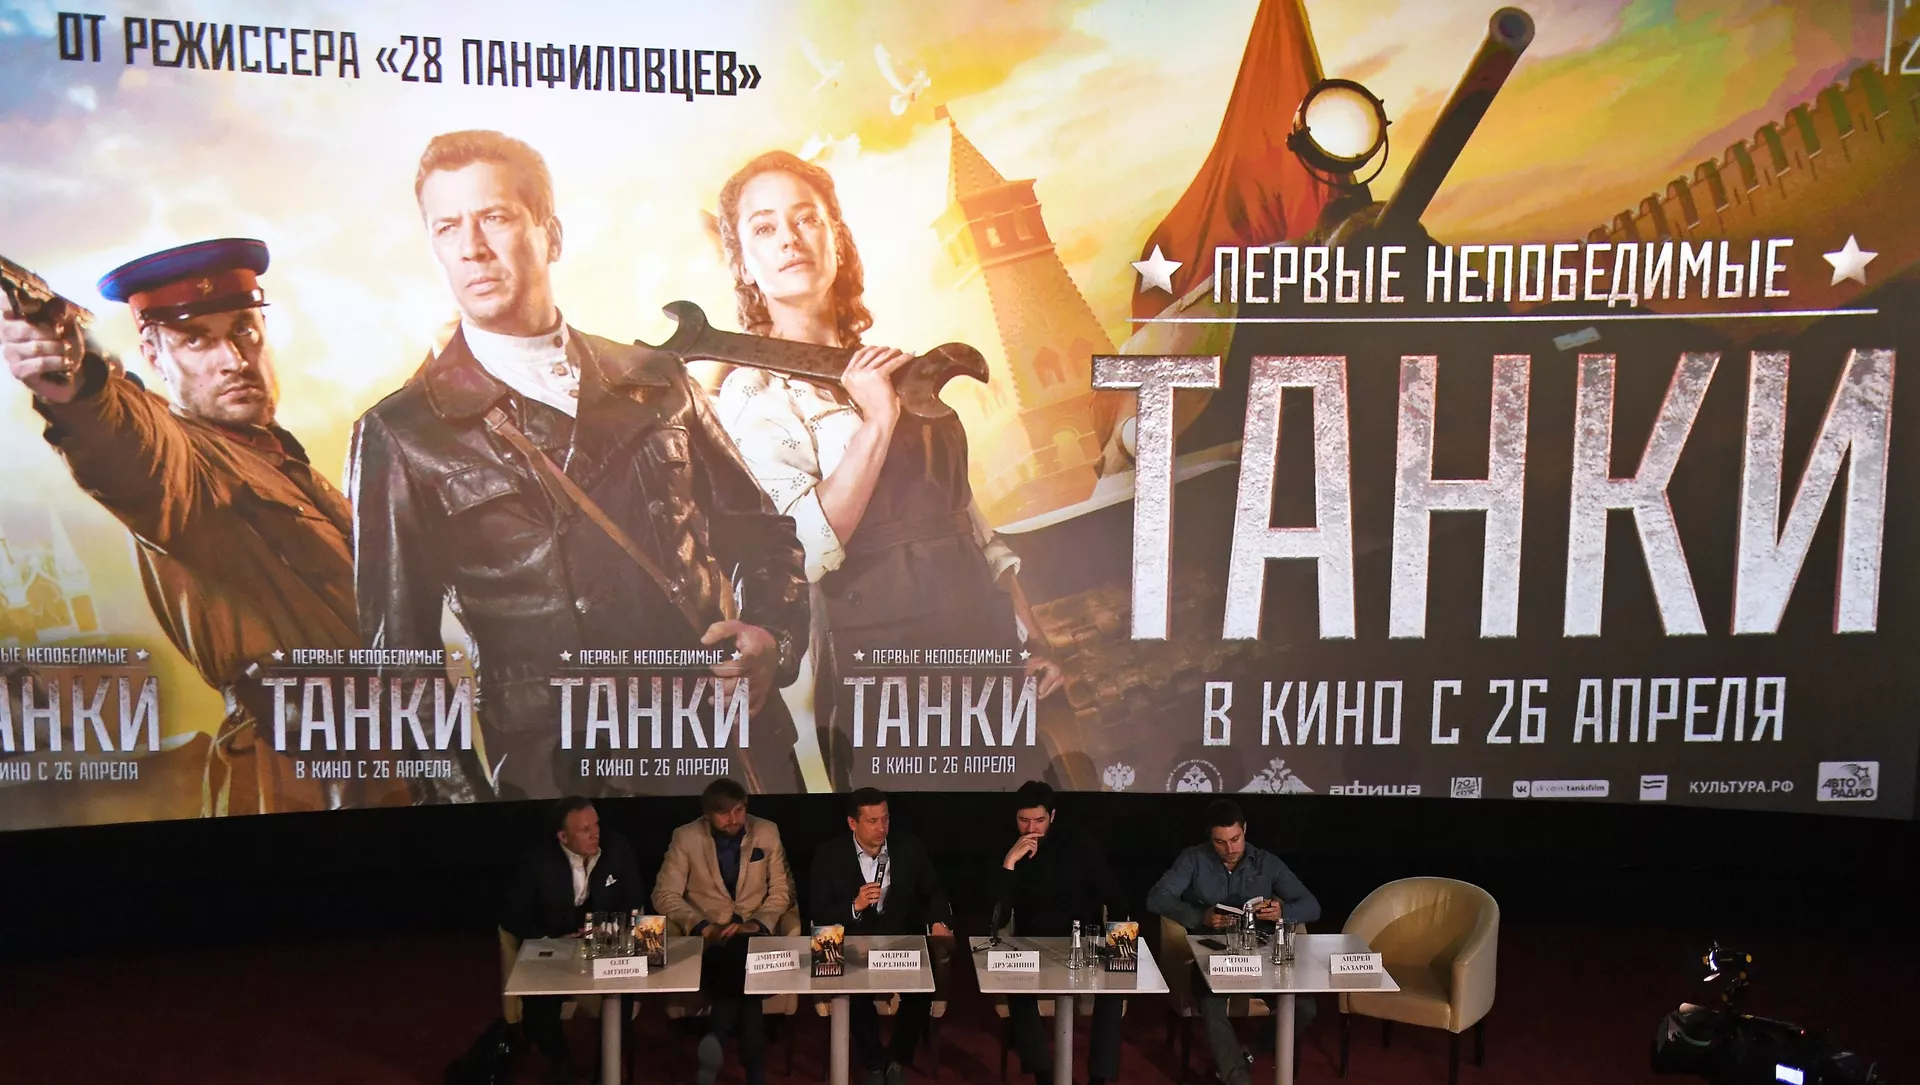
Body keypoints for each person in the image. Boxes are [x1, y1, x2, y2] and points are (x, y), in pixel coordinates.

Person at [349, 130, 809, 799]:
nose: (471, 247)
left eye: (494, 217)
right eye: (447, 227)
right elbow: (401, 672)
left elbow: (764, 536)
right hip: (568, 788)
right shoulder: (402, 432)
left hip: (733, 755)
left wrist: (772, 635)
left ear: (552, 236)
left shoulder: (656, 376)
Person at [0, 238, 411, 815]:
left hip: (392, 750)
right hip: (302, 775)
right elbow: (123, 442)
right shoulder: (181, 459)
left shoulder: (284, 462)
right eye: (196, 340)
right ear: (152, 354)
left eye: (243, 330)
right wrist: (77, 383)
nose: (233, 359)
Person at [711, 150, 1063, 789]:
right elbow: (803, 550)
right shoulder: (751, 396)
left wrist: (1031, 640)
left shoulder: (900, 370)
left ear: (836, 238)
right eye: (764, 227)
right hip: (879, 671)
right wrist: (876, 423)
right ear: (743, 263)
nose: (789, 238)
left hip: (981, 643)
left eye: (806, 218)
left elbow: (968, 522)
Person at [1148, 799, 1321, 1085]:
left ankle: (1249, 1053)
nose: (1230, 849)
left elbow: (1311, 906)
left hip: (1261, 954)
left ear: (1245, 830)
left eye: (1235, 839)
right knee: (1210, 1001)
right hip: (1212, 953)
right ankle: (1237, 1078)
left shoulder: (1266, 863)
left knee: (1304, 1007)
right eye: (1220, 842)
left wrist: (1282, 912)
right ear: (1209, 837)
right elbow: (1156, 898)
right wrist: (1200, 916)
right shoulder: (1193, 859)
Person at [651, 778, 794, 1085]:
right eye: (723, 813)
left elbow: (782, 892)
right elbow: (664, 894)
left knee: (743, 956)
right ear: (707, 814)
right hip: (710, 943)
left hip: (754, 936)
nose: (733, 818)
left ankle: (716, 1034)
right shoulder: (686, 837)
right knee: (747, 983)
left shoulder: (767, 832)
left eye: (739, 810)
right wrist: (702, 927)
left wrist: (757, 924)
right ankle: (754, 1072)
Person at [809, 787, 954, 1085]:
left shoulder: (909, 847)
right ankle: (873, 1062)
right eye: (873, 821)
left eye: (885, 819)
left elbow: (933, 891)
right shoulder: (829, 854)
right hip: (851, 940)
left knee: (923, 988)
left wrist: (939, 920)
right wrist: (855, 905)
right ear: (853, 823)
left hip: (897, 939)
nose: (881, 828)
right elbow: (819, 911)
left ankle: (898, 1059)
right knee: (854, 993)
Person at [503, 796, 644, 1085]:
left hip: (604, 942)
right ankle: (559, 1059)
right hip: (555, 941)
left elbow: (633, 899)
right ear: (563, 837)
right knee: (540, 1008)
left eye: (596, 825)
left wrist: (606, 929)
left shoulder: (617, 848)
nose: (595, 834)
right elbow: (512, 915)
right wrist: (551, 939)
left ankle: (605, 1072)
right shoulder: (536, 861)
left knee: (622, 996)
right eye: (585, 830)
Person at [994, 780, 1128, 1085]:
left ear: (1052, 816)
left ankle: (1099, 1078)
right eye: (1023, 820)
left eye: (1039, 820)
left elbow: (1116, 898)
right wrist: (1009, 864)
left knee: (1115, 986)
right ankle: (1043, 1075)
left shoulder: (1079, 843)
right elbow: (997, 916)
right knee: (1016, 984)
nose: (1031, 829)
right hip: (1032, 944)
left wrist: (1119, 950)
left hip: (1083, 942)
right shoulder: (1007, 845)